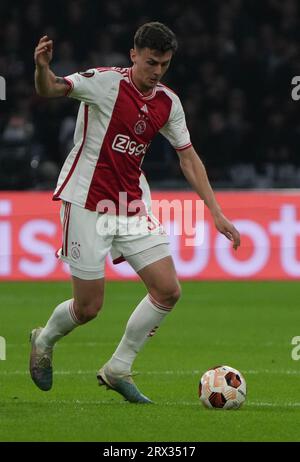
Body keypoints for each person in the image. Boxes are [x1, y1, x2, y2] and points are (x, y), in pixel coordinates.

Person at [30, 22, 240, 403]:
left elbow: (188, 158)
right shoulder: (104, 83)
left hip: (129, 205)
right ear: (133, 56)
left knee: (168, 290)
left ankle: (118, 368)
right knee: (89, 307)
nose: (157, 71)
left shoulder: (168, 103)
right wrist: (42, 68)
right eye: (150, 62)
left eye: (164, 64)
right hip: (86, 201)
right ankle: (43, 340)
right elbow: (51, 90)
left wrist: (216, 211)